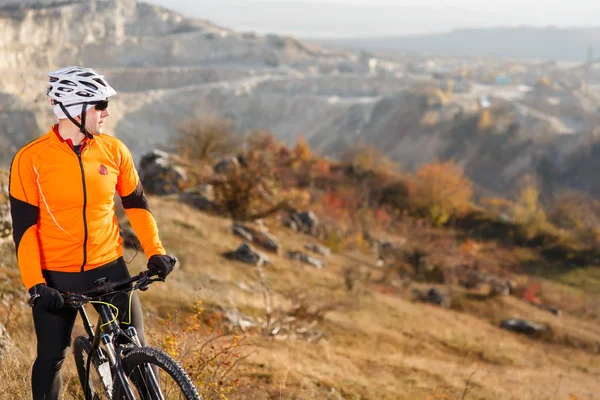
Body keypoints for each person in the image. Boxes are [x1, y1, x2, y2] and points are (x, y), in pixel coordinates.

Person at [9, 66, 175, 400]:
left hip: (109, 266)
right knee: (52, 358)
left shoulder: (114, 150)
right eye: (99, 105)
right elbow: (25, 231)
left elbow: (138, 205)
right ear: (71, 108)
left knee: (137, 350)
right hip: (57, 277)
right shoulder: (31, 159)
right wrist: (36, 285)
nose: (106, 112)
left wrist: (155, 251)